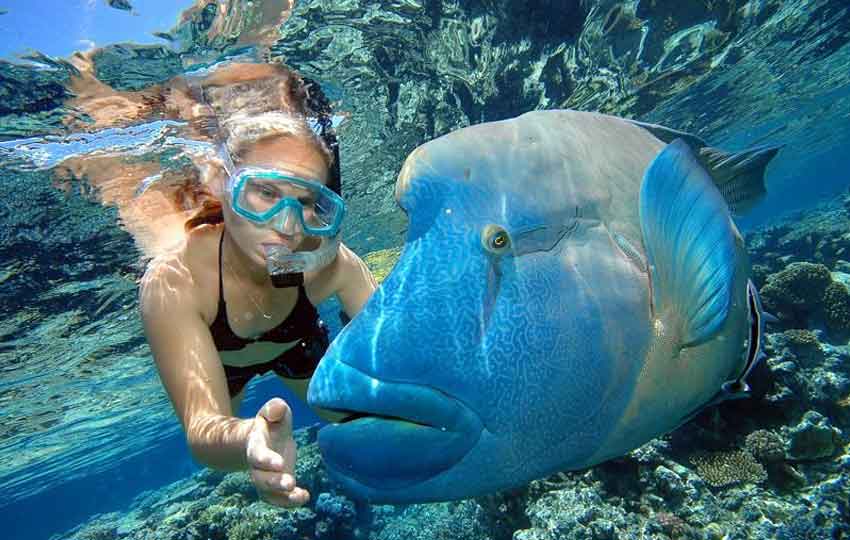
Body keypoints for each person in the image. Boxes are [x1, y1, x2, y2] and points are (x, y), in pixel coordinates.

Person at [139, 62, 377, 508]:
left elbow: (399, 345)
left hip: (294, 342)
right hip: (225, 364)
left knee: (350, 416)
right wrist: (251, 438)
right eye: (265, 193)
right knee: (225, 453)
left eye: (307, 201)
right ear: (218, 179)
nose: (286, 227)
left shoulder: (326, 266)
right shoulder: (180, 281)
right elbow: (204, 431)